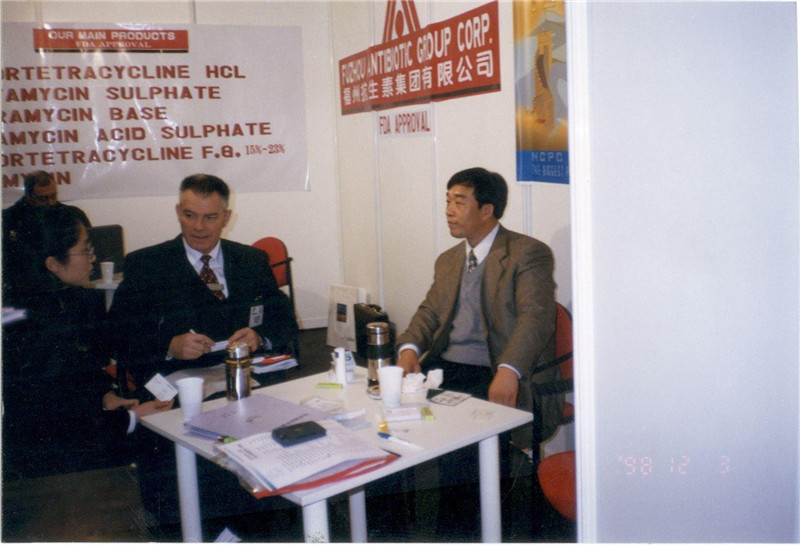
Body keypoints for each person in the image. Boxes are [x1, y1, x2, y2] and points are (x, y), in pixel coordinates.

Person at [396, 167, 562, 451]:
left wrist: (509, 369)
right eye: (448, 201)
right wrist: (409, 348)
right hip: (447, 367)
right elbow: (430, 311)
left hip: (494, 368)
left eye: (459, 202)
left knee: (467, 451)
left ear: (487, 210)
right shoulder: (449, 260)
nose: (449, 210)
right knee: (399, 426)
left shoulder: (527, 253)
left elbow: (535, 318)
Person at [1, 207, 170, 479]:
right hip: (50, 466)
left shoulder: (67, 299)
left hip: (80, 438)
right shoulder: (34, 327)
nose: (93, 258)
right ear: (53, 264)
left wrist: (106, 396)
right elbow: (59, 420)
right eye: (85, 250)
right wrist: (132, 417)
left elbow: (81, 372)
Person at [108, 173, 298, 384]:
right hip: (176, 380)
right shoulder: (146, 264)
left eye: (210, 218)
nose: (198, 226)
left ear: (226, 218)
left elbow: (285, 319)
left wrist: (259, 337)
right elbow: (116, 335)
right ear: (178, 212)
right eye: (190, 215)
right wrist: (168, 346)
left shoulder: (251, 259)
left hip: (247, 375)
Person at [2, 170, 92, 301]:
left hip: (72, 290)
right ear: (29, 196)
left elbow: (90, 248)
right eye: (43, 198)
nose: (50, 202)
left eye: (53, 196)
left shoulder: (72, 215)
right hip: (25, 291)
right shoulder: (8, 219)